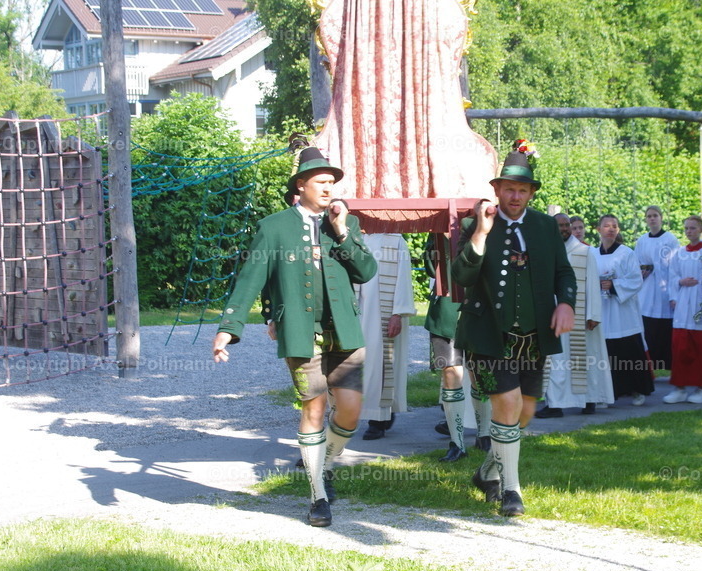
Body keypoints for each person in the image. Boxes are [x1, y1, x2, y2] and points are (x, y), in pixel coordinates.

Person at [211, 147, 377, 528]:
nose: (328, 188)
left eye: (332, 182)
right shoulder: (275, 227)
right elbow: (251, 279)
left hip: (346, 332)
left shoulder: (344, 224)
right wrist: (228, 328)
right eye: (321, 181)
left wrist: (341, 232)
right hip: (302, 334)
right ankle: (318, 494)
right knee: (314, 410)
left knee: (350, 410)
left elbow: (366, 270)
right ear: (300, 185)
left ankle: (326, 464)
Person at [453, 148, 576, 517]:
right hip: (487, 334)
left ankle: (487, 471)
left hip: (533, 338)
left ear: (531, 193)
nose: (515, 196)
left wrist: (566, 302)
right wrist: (480, 233)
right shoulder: (474, 224)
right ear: (498, 189)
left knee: (525, 413)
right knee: (506, 406)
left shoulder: (544, 226)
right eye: (509, 188)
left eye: (522, 190)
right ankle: (511, 489)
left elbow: (564, 273)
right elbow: (461, 277)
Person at [536, 211, 614, 417]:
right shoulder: (544, 250)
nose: (563, 228)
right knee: (555, 360)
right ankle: (555, 405)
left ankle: (590, 401)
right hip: (553, 315)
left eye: (566, 225)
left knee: (586, 359)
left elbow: (592, 285)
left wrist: (594, 314)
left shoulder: (584, 251)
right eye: (559, 225)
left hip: (582, 317)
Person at [423, 233, 492, 462]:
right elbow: (431, 269)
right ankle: (457, 443)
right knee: (451, 373)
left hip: (476, 309)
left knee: (478, 376)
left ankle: (484, 436)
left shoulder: (481, 227)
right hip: (445, 311)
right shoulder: (435, 230)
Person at [358, 233, 416, 440]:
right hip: (358, 311)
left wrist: (397, 313)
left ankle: (380, 419)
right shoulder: (352, 235)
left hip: (383, 312)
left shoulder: (395, 240)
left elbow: (403, 278)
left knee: (381, 363)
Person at [593, 214, 655, 405]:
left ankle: (638, 390)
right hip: (603, 311)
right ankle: (606, 393)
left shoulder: (626, 253)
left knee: (630, 351)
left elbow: (636, 280)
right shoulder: (592, 254)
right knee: (605, 353)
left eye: (614, 226)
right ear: (598, 230)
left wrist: (612, 286)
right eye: (606, 226)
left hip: (623, 311)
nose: (611, 229)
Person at [664, 215, 702, 404]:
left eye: (693, 228)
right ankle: (680, 387)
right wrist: (679, 284)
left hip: (701, 305)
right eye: (686, 228)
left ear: (700, 230)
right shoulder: (679, 253)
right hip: (683, 306)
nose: (689, 231)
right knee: (681, 348)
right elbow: (672, 276)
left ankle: (701, 388)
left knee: (701, 348)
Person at [634, 205, 679, 371]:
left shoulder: (670, 239)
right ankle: (649, 366)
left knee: (665, 330)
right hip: (646, 291)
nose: (652, 219)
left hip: (664, 291)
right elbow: (636, 264)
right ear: (646, 220)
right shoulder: (642, 240)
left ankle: (670, 365)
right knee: (648, 329)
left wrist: (674, 294)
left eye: (655, 216)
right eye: (649, 216)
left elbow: (675, 268)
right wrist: (642, 271)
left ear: (661, 218)